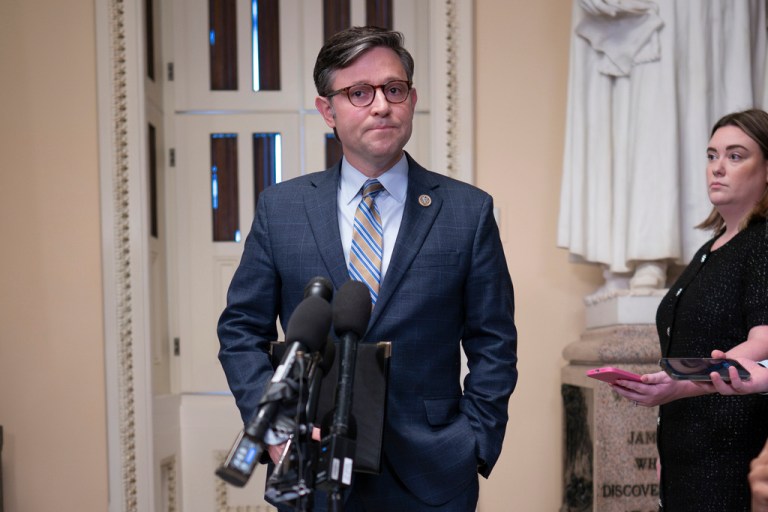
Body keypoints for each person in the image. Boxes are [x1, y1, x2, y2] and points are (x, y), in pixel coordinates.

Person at [217, 26, 518, 512]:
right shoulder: (283, 208)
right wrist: (273, 426)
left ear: (412, 99)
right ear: (327, 110)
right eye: (359, 92)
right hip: (310, 464)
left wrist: (475, 443)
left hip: (433, 471)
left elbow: (494, 342)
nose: (381, 105)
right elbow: (239, 330)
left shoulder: (467, 211)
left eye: (393, 90)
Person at [609, 108, 768, 511]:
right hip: (687, 449)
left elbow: (763, 342)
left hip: (732, 451)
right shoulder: (711, 246)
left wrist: (681, 382)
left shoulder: (761, 243)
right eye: (712, 155)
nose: (718, 168)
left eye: (735, 156)